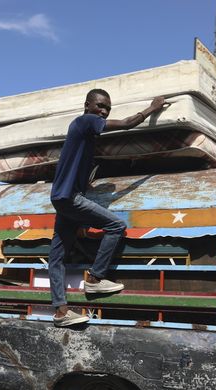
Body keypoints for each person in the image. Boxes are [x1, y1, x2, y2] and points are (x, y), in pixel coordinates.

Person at [49, 89, 167, 327]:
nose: (103, 112)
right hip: (70, 198)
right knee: (115, 225)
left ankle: (61, 311)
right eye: (100, 106)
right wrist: (152, 108)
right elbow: (126, 124)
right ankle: (94, 278)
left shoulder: (83, 135)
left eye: (107, 109)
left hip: (62, 199)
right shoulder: (86, 121)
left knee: (57, 257)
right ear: (87, 105)